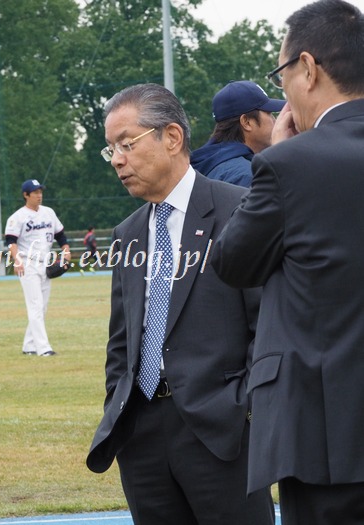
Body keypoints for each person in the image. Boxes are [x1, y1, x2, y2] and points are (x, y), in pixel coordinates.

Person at [85, 83, 274, 524]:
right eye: (110, 149)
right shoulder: (127, 234)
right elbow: (122, 340)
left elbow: (267, 324)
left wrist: (240, 409)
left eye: (126, 144)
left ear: (171, 137)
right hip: (141, 435)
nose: (117, 160)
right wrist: (121, 402)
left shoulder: (239, 211)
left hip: (220, 432)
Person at [211, 1, 364, 523]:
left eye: (281, 75)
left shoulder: (288, 163)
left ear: (308, 67)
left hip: (323, 436)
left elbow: (233, 262)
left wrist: (273, 157)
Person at [5, 179, 70, 357]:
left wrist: (66, 249)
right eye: (35, 193)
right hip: (28, 264)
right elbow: (11, 242)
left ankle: (29, 345)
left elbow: (60, 235)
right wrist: (17, 261)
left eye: (40, 192)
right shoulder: (17, 217)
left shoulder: (48, 212)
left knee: (42, 307)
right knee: (35, 305)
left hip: (45, 263)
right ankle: (44, 348)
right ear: (26, 195)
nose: (39, 195)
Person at [190, 80, 285, 187]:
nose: (275, 121)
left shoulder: (204, 165)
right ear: (246, 122)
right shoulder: (247, 176)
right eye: (269, 113)